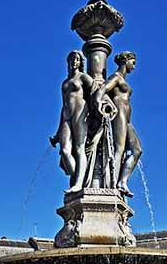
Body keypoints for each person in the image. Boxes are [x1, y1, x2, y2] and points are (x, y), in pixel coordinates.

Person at [94, 51, 142, 197]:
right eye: (132, 62)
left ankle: (122, 181)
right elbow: (102, 89)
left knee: (137, 150)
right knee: (119, 149)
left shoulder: (123, 80)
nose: (134, 66)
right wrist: (98, 102)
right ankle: (112, 183)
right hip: (119, 112)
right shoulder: (116, 77)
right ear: (125, 61)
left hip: (127, 117)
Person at [51, 50, 95, 193]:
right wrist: (57, 133)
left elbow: (96, 90)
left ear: (81, 62)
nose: (73, 62)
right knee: (64, 150)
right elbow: (63, 104)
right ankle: (77, 177)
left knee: (79, 148)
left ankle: (78, 183)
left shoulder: (83, 77)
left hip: (80, 111)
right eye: (71, 60)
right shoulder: (64, 82)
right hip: (66, 115)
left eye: (76, 59)